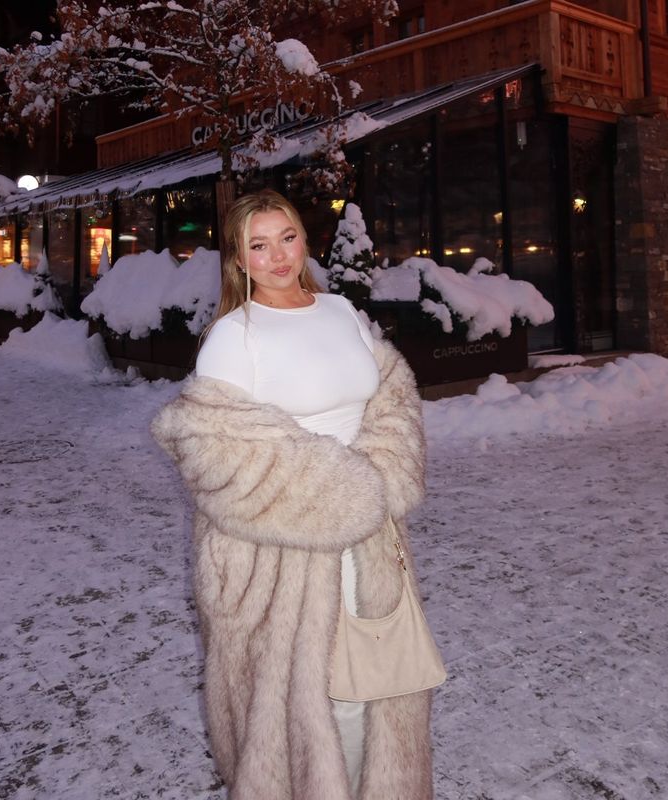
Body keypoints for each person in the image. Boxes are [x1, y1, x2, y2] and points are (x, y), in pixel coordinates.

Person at [151, 189, 435, 799]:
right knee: (318, 697)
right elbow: (211, 449)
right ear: (239, 259)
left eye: (286, 238)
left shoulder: (340, 310)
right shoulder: (234, 335)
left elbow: (390, 397)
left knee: (378, 678)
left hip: (371, 532)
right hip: (283, 550)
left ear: (305, 238)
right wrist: (335, 494)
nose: (278, 256)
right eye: (258, 245)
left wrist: (382, 472)